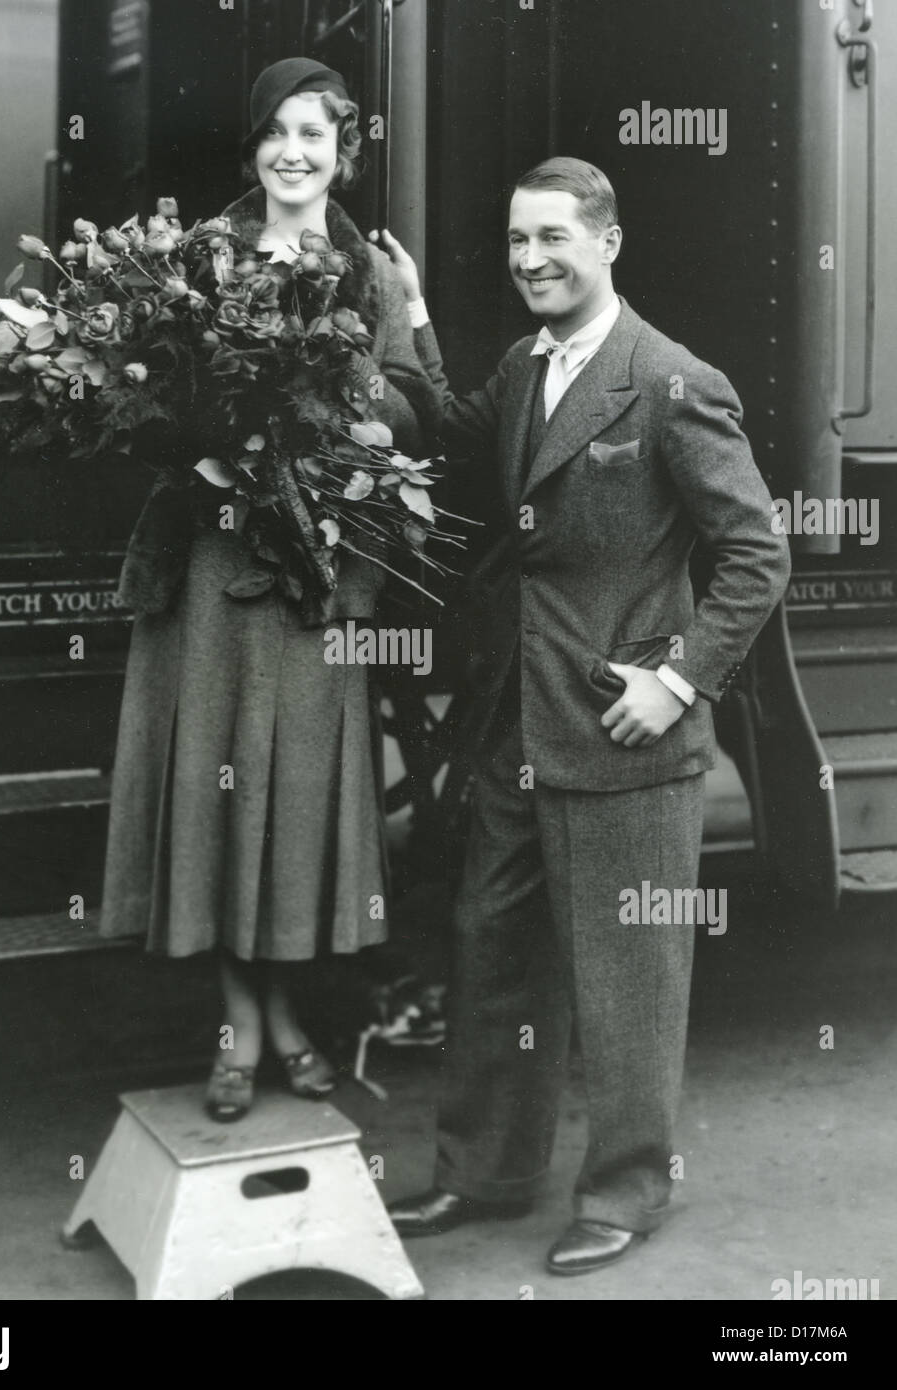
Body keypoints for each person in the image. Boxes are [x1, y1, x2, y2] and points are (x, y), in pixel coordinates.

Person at [376, 157, 791, 1273]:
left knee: (625, 972)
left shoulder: (669, 381)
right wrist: (404, 310)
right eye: (516, 241)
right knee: (492, 945)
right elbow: (446, 431)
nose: (529, 260)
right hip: (520, 717)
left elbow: (756, 553)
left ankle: (626, 1188)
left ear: (608, 241)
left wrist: (680, 679)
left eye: (552, 237)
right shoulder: (523, 365)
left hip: (623, 726)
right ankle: (486, 1170)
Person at [100, 58, 440, 1122]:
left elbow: (424, 413)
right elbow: (138, 408)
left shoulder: (373, 274)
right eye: (277, 132)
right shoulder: (195, 258)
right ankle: (240, 1028)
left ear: (346, 152)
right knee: (218, 795)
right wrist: (215, 430)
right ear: (254, 145)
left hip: (315, 581)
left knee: (287, 807)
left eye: (317, 134)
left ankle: (283, 1015)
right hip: (209, 573)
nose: (295, 151)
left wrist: (392, 343)